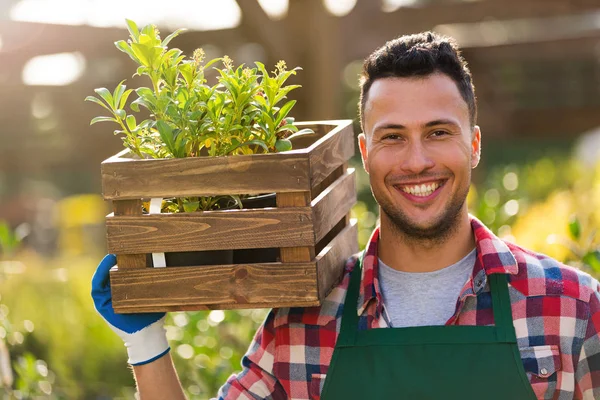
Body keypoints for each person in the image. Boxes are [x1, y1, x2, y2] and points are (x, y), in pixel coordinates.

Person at [92, 32, 600, 399]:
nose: (416, 160)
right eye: (393, 136)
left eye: (439, 132)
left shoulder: (571, 309)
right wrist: (146, 342)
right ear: (363, 151)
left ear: (475, 145)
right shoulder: (303, 322)